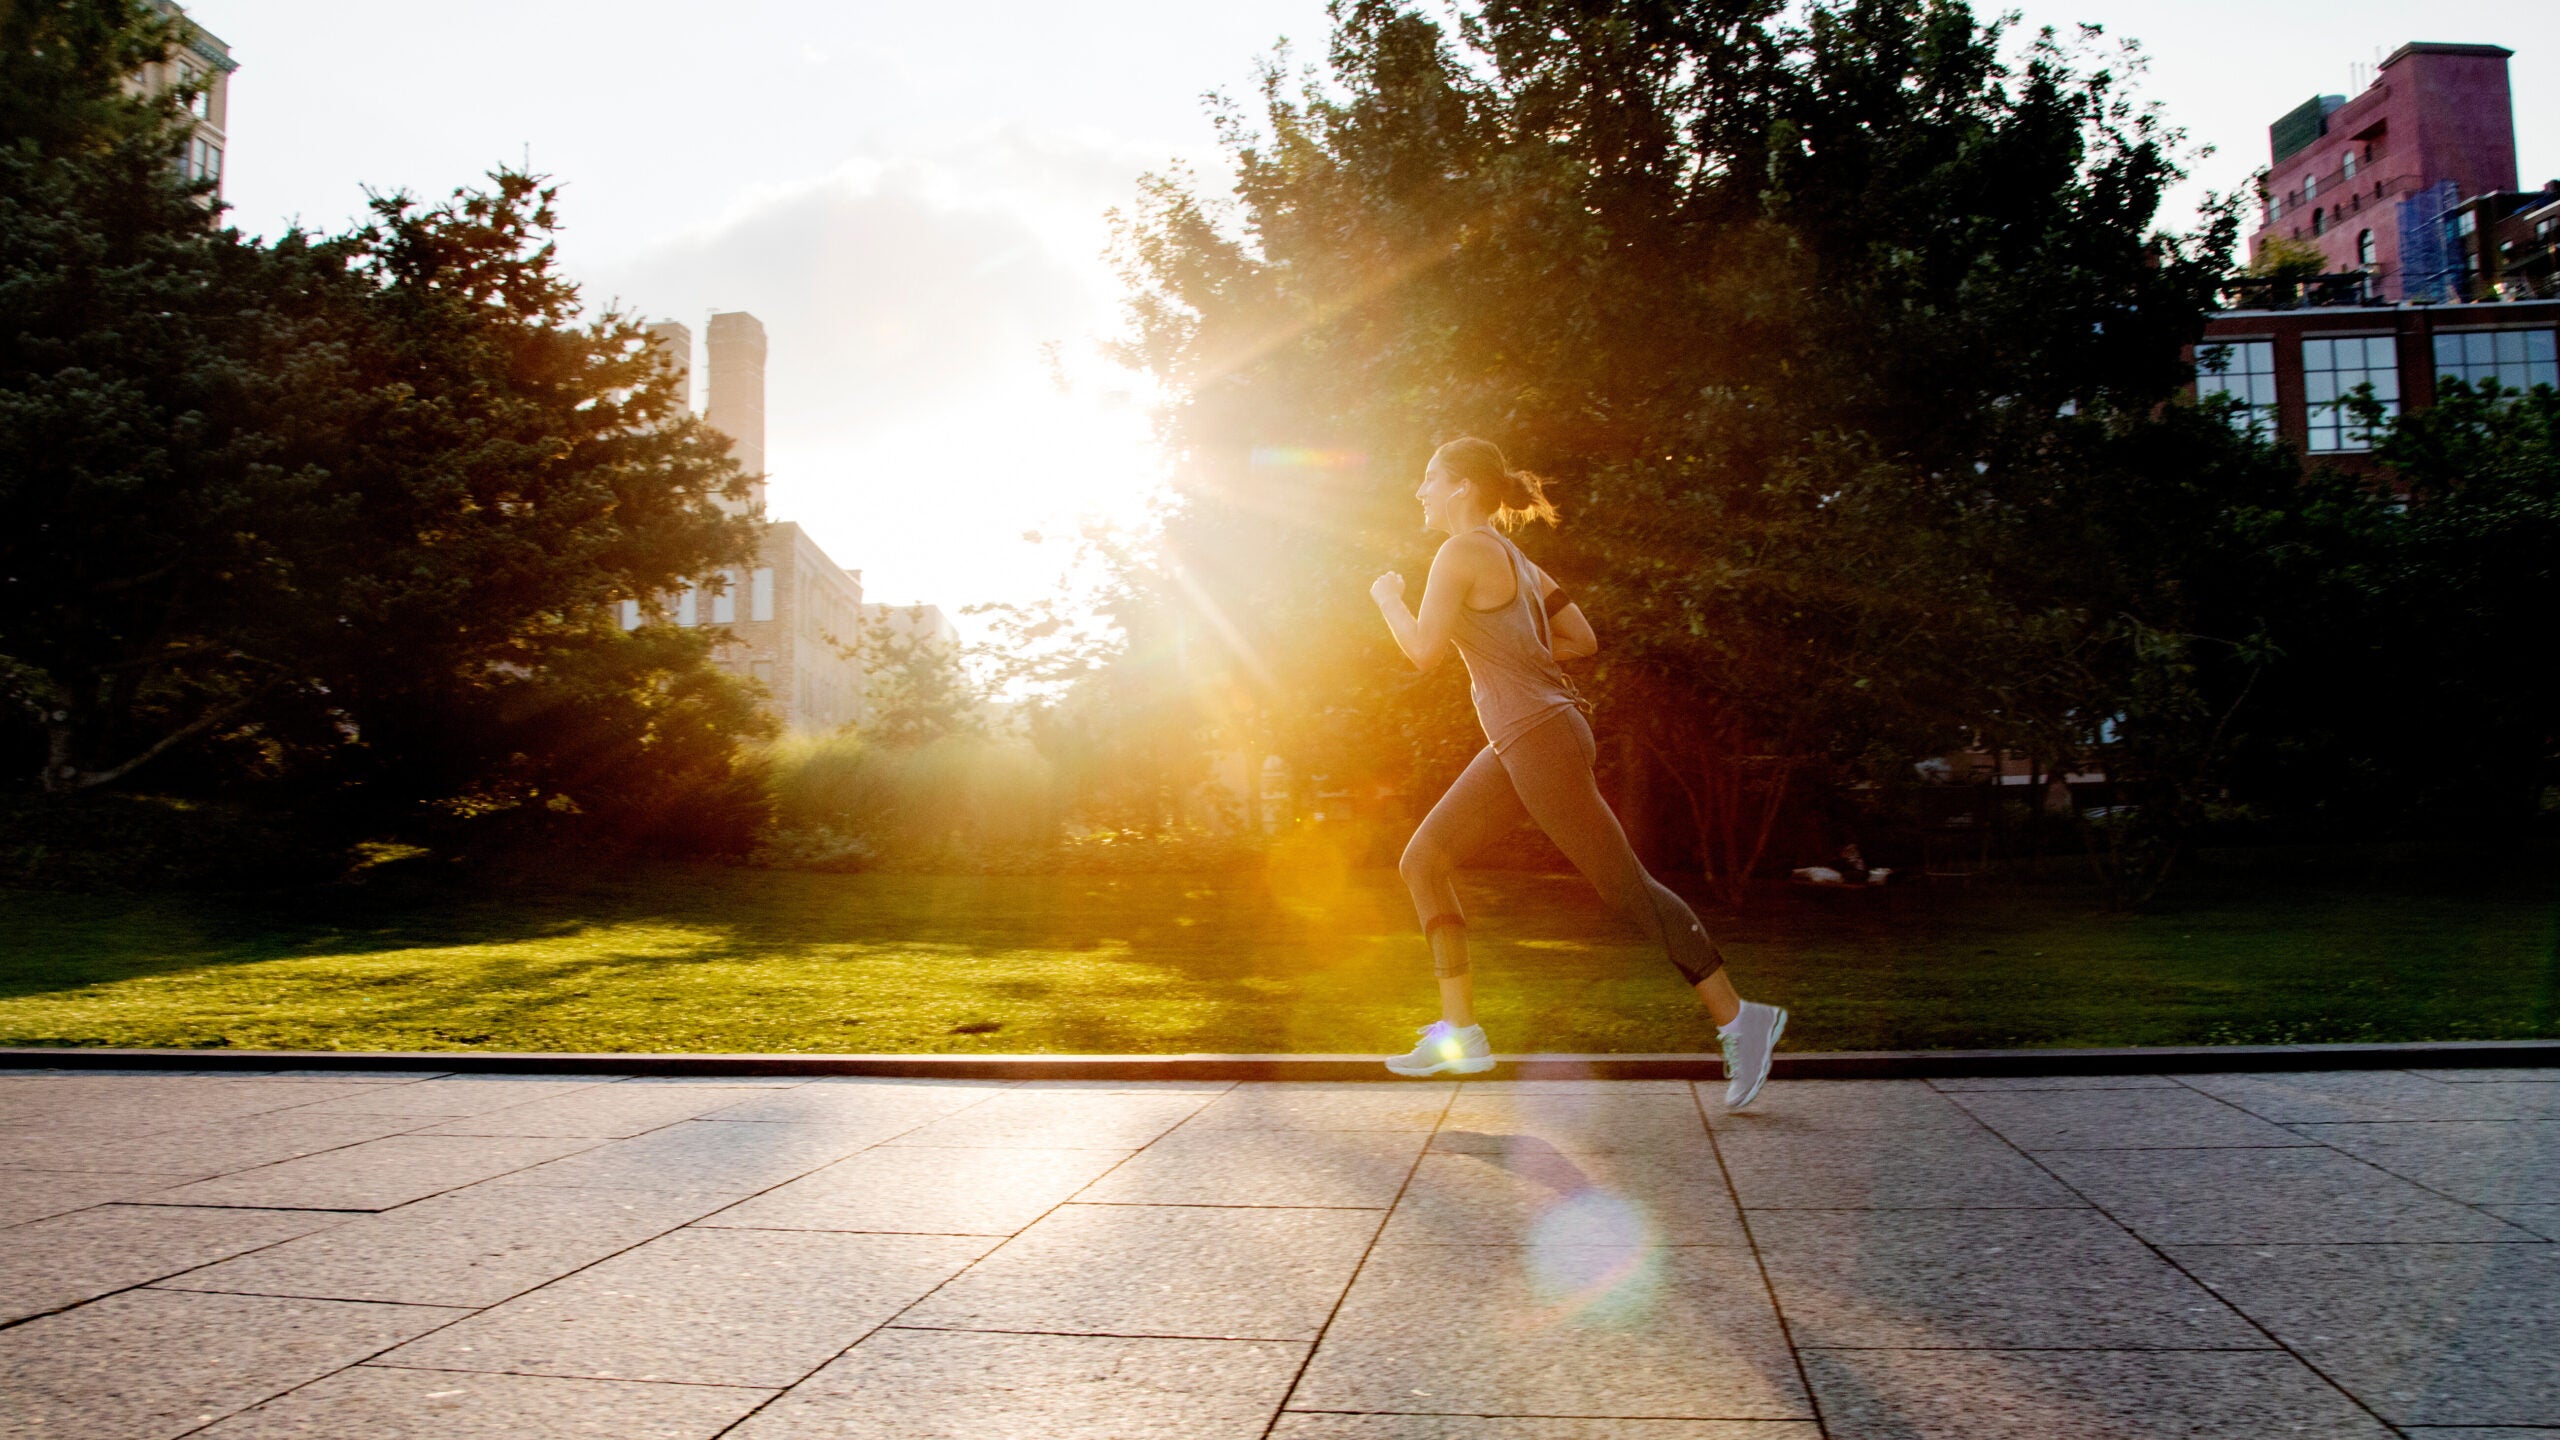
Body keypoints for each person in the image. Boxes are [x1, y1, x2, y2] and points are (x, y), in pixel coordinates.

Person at [1368, 436, 1787, 1107]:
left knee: (1626, 888)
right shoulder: (1519, 562)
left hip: (1538, 738)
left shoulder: (1458, 552)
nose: (1419, 490)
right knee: (1424, 861)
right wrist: (1525, 663)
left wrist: (1388, 597)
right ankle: (1462, 1033)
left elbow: (1422, 651)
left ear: (1462, 487)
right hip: (1529, 735)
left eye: (1428, 477)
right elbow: (1581, 640)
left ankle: (1742, 1020)